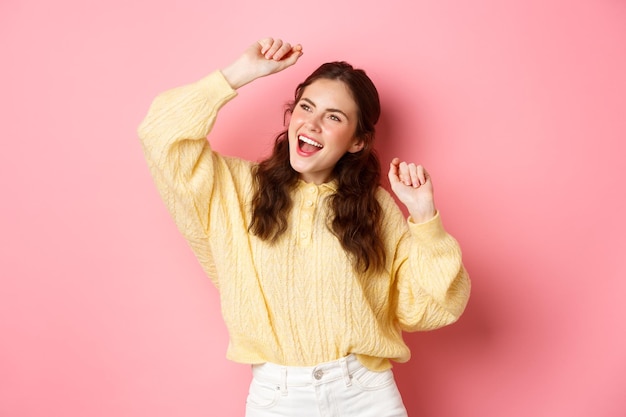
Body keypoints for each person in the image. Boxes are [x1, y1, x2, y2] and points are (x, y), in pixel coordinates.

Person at [138, 37, 470, 417]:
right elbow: (159, 135)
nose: (311, 123)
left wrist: (425, 219)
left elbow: (432, 308)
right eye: (305, 106)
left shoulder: (375, 208)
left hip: (365, 394)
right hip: (277, 398)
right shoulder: (237, 189)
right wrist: (237, 75)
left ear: (357, 141)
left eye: (333, 116)